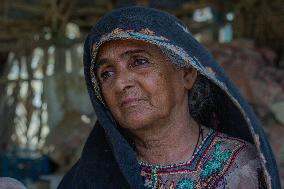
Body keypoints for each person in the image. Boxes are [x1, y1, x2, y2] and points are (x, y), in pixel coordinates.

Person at [58, 6, 280, 189]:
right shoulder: (90, 176)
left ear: (186, 74)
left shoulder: (242, 168)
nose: (120, 83)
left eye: (139, 61)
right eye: (106, 74)